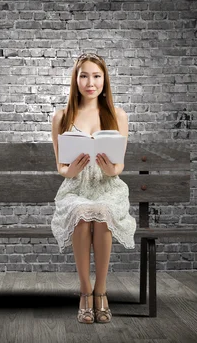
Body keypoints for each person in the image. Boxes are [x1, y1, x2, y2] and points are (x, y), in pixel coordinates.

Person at [50, 52, 137, 324]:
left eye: (96, 76)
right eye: (84, 75)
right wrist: (69, 170)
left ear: (104, 80)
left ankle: (101, 291)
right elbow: (61, 167)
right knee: (83, 211)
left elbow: (118, 165)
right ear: (75, 79)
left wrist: (112, 169)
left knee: (100, 210)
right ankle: (85, 292)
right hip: (76, 188)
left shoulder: (117, 115)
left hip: (107, 186)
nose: (91, 82)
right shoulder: (62, 116)